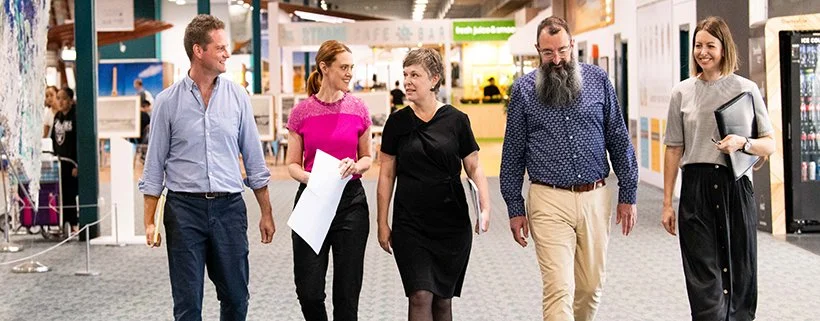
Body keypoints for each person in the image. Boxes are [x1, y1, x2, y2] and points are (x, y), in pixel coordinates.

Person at [499, 16, 638, 321]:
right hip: (547, 199)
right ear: (538, 50)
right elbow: (512, 154)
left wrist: (628, 193)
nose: (557, 60)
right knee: (559, 288)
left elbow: (617, 136)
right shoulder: (523, 91)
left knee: (589, 288)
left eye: (562, 50)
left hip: (594, 197)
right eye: (548, 53)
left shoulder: (598, 81)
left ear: (573, 44)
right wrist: (514, 207)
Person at [139, 15, 275, 321]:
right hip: (183, 211)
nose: (227, 53)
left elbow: (254, 160)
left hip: (229, 209)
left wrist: (266, 211)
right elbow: (154, 167)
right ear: (199, 50)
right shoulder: (167, 102)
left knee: (236, 298)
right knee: (187, 304)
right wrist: (150, 222)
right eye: (221, 47)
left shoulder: (238, 97)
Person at [662, 16, 775, 321]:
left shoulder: (746, 89)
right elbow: (673, 149)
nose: (703, 52)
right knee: (704, 282)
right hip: (696, 189)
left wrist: (742, 143)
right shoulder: (681, 93)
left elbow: (769, 144)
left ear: (724, 48)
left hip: (734, 186)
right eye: (698, 45)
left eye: (710, 45)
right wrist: (667, 203)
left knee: (740, 274)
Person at [377, 48, 491, 321]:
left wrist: (485, 208)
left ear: (434, 79)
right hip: (410, 224)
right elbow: (386, 175)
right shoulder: (396, 122)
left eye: (415, 75)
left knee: (442, 300)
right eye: (405, 74)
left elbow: (474, 166)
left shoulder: (457, 120)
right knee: (420, 296)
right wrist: (382, 222)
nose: (407, 81)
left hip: (451, 223)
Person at [286, 39, 373, 321]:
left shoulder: (358, 108)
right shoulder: (301, 112)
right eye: (343, 67)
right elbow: (291, 165)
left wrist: (355, 164)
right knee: (309, 290)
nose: (349, 73)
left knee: (347, 295)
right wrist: (311, 177)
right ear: (324, 67)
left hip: (351, 204)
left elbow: (368, 158)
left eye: (351, 67)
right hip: (312, 200)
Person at [51, 87, 79, 233]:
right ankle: (63, 222)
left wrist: (78, 164)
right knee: (60, 193)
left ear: (70, 100)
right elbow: (53, 139)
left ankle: (73, 223)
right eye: (58, 98)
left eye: (63, 98)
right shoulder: (57, 117)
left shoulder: (76, 117)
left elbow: (79, 141)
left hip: (72, 163)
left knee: (70, 194)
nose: (60, 101)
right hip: (59, 162)